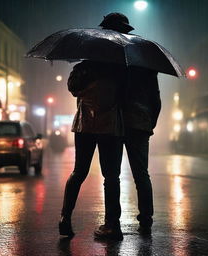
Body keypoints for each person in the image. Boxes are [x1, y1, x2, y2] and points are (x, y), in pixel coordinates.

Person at [99, 12, 161, 235]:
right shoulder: (145, 58)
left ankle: (112, 223)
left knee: (111, 176)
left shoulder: (105, 58)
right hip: (140, 122)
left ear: (107, 30)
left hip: (113, 122)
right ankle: (146, 220)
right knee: (141, 173)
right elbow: (155, 98)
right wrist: (150, 122)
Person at [59, 60, 126, 240]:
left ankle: (65, 217)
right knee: (111, 176)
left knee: (79, 171)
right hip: (110, 126)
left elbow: (72, 88)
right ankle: (112, 225)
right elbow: (126, 95)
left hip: (84, 125)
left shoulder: (83, 67)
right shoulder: (119, 68)